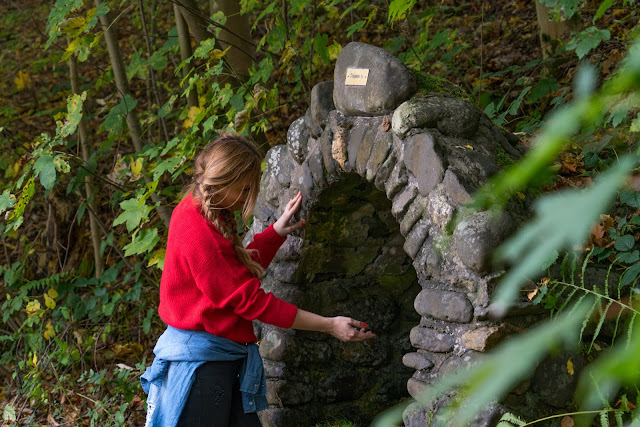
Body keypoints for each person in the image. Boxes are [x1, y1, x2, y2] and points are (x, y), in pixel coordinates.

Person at [141, 133, 375, 427]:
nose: (247, 197)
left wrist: (275, 233)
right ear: (224, 180)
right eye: (245, 188)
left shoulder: (208, 211)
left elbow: (232, 272)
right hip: (201, 365)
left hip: (218, 358)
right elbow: (250, 301)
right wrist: (329, 325)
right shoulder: (197, 226)